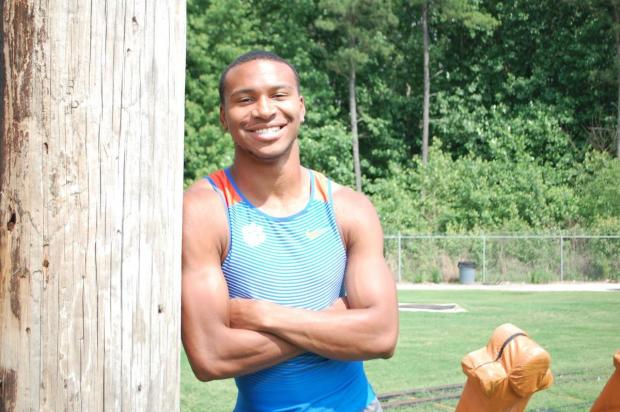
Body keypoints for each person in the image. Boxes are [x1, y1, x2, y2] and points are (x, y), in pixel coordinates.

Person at [181, 50, 399, 412]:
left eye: (278, 95)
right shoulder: (204, 210)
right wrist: (333, 324)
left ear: (301, 107)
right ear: (223, 117)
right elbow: (210, 356)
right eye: (245, 99)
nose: (264, 110)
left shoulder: (349, 208)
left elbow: (382, 336)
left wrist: (265, 316)